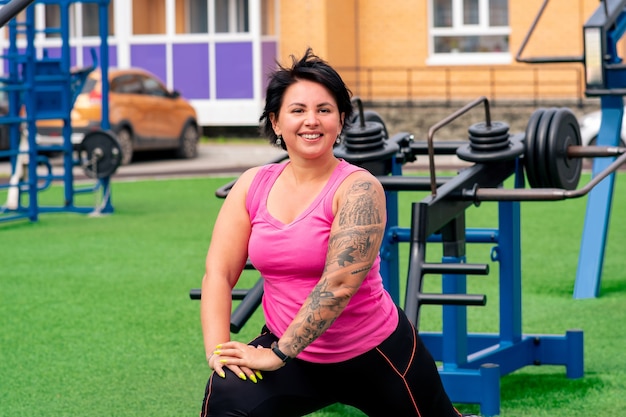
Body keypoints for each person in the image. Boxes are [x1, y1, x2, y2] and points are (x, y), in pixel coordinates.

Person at [199, 48, 475, 417]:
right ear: (276, 122)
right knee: (228, 393)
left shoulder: (360, 189)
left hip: (375, 354)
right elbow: (219, 273)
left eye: (324, 110)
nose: (311, 121)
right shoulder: (252, 185)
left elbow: (338, 285)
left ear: (340, 120)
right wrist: (220, 353)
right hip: (291, 353)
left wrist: (279, 354)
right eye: (297, 110)